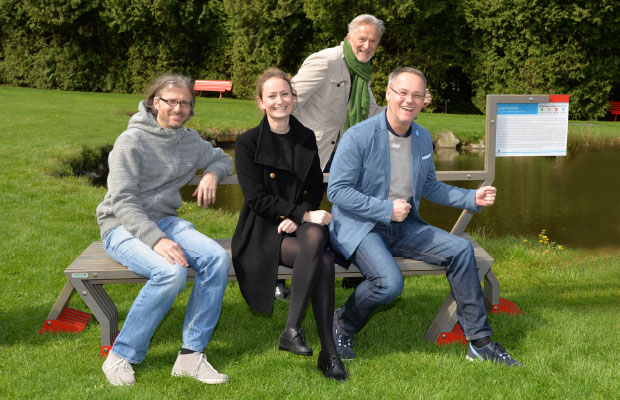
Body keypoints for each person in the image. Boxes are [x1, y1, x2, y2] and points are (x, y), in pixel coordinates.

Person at [327, 67, 522, 366]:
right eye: (403, 93)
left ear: (423, 101)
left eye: (417, 95)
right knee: (389, 283)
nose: (409, 100)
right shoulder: (359, 136)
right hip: (361, 227)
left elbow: (429, 186)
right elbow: (337, 192)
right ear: (388, 94)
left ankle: (480, 343)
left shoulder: (421, 137)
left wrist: (471, 198)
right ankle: (342, 324)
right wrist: (385, 209)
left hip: (404, 226)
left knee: (460, 250)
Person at [97, 74, 234, 386]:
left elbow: (222, 158)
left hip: (166, 221)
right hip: (121, 226)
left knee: (215, 258)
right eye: (171, 101)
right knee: (170, 272)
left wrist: (212, 173)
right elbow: (123, 201)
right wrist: (157, 240)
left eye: (185, 102)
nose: (178, 108)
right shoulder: (131, 142)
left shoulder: (189, 141)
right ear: (154, 102)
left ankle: (190, 357)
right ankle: (122, 355)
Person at [232, 68, 348, 381]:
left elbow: (313, 190)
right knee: (322, 257)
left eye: (285, 94)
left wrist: (301, 214)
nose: (280, 100)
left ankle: (295, 332)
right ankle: (326, 351)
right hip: (261, 230)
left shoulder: (306, 137)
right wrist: (297, 215)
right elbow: (256, 198)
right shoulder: (247, 143)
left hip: (296, 226)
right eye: (272, 96)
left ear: (294, 98)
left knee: (317, 238)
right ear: (260, 102)